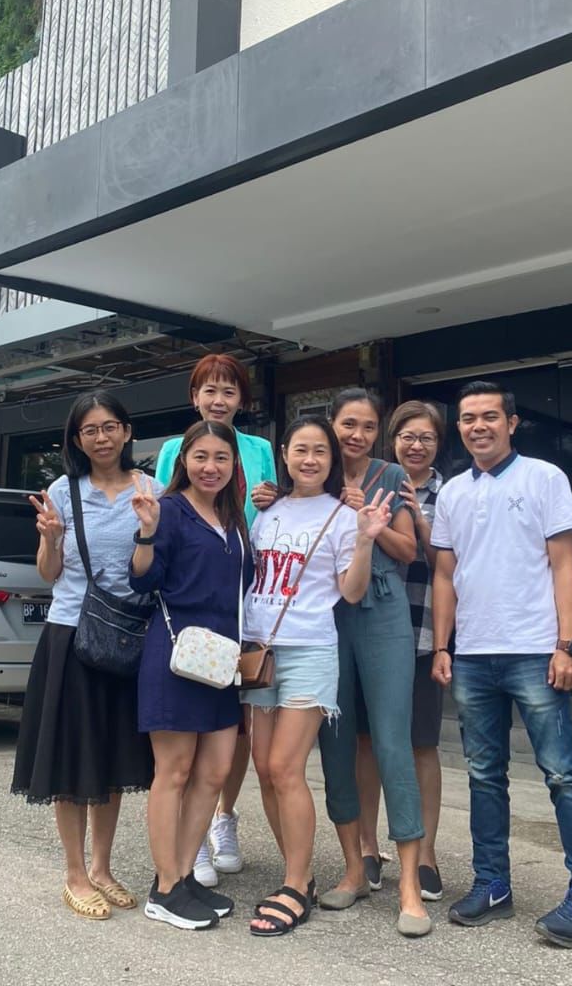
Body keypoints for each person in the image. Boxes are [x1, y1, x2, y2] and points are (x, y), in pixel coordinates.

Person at [431, 379, 572, 948]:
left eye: (489, 416)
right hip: (474, 655)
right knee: (484, 775)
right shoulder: (453, 492)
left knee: (562, 773)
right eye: (467, 418)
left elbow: (564, 566)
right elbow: (445, 575)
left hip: (535, 650)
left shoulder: (544, 478)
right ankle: (492, 884)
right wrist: (443, 646)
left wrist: (568, 645)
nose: (477, 426)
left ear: (511, 423)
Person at [242, 416, 394, 936]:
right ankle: (298, 873)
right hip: (260, 651)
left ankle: (293, 883)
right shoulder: (266, 512)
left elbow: (351, 592)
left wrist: (367, 540)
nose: (310, 460)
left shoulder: (343, 515)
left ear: (332, 461)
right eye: (301, 450)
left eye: (320, 452)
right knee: (263, 768)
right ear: (284, 454)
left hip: (309, 650)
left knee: (286, 767)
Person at [11, 391, 156, 920]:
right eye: (90, 430)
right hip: (71, 634)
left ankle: (102, 867)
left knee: (111, 755)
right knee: (71, 755)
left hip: (125, 636)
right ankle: (74, 873)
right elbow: (49, 573)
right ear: (77, 439)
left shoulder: (151, 489)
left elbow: (150, 571)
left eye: (110, 426)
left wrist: (148, 530)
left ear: (127, 431)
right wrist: (51, 539)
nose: (101, 437)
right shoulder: (62, 491)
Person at [154, 354, 277, 885]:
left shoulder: (260, 450)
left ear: (242, 400)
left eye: (229, 391)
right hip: (193, 601)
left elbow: (272, 514)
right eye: (209, 390)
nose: (219, 400)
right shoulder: (172, 449)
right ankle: (191, 840)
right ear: (194, 397)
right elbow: (165, 512)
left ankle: (223, 818)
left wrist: (273, 498)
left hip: (245, 597)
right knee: (191, 726)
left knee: (236, 725)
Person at [130, 420, 253, 931]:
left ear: (233, 465)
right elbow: (142, 579)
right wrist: (146, 531)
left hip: (221, 661)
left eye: (221, 458)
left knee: (216, 771)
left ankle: (183, 876)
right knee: (174, 772)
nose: (210, 467)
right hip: (176, 656)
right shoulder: (170, 510)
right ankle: (164, 888)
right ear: (184, 460)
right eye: (200, 456)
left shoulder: (232, 516)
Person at [317, 387, 430, 937]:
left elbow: (411, 552)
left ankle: (409, 884)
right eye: (348, 424)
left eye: (367, 426)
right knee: (336, 741)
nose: (357, 435)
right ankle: (353, 870)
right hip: (327, 614)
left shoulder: (391, 475)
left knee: (391, 743)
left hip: (384, 613)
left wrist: (371, 520)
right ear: (332, 424)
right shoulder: (314, 472)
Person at [353, 400, 447, 902]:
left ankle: (425, 853)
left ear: (438, 444)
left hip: (423, 631)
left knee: (420, 744)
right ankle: (367, 847)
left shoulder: (449, 493)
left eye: (426, 437)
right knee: (367, 741)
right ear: (393, 440)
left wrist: (417, 518)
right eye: (408, 436)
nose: (416, 445)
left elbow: (450, 563)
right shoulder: (372, 482)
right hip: (370, 627)